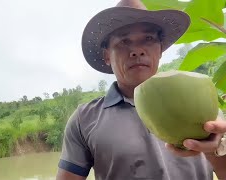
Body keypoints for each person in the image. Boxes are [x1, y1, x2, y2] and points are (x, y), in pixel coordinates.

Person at [56, 0, 226, 179]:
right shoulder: (84, 120)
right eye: (124, 41)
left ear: (160, 49)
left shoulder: (204, 103)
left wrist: (217, 150)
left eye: (148, 38)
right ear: (107, 55)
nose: (137, 50)